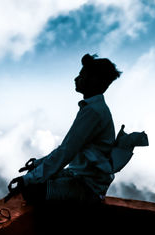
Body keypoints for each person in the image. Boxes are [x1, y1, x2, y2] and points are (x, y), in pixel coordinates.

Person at [8, 54, 122, 204]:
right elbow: (67, 148)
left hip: (87, 186)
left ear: (93, 80)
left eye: (82, 75)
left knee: (31, 190)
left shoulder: (93, 112)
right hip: (81, 177)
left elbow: (66, 151)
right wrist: (37, 164)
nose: (76, 79)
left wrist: (27, 179)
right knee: (34, 178)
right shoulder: (94, 109)